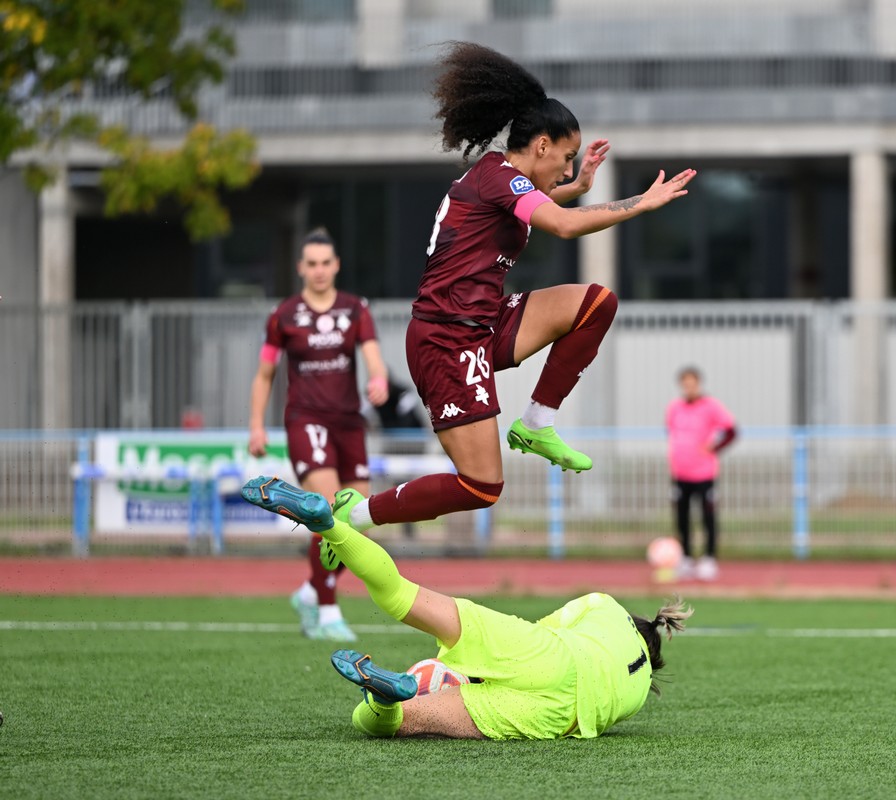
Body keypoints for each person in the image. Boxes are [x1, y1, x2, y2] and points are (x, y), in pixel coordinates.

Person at [331, 41, 696, 539]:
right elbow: (562, 225)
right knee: (481, 486)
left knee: (595, 304)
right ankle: (354, 515)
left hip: (483, 322)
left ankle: (536, 423)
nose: (566, 169)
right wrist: (640, 203)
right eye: (566, 158)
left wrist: (578, 187)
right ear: (541, 145)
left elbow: (541, 201)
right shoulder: (498, 177)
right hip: (445, 339)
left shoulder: (502, 180)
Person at [241, 476, 692, 740]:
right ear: (652, 660)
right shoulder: (637, 694)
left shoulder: (604, 606)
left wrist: (471, 662)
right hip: (559, 711)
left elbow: (544, 630)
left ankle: (328, 525)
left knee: (400, 593)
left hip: (544, 652)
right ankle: (385, 700)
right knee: (403, 722)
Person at [247, 227, 389, 641]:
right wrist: (256, 426)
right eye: (312, 263)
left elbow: (373, 356)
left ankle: (311, 590)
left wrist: (378, 379)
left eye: (326, 262)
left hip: (349, 424)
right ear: (301, 268)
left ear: (337, 265)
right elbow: (264, 374)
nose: (320, 270)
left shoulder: (356, 309)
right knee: (326, 510)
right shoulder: (283, 315)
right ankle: (327, 610)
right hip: (306, 421)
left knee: (357, 520)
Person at [665, 366, 737, 581]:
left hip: (704, 473)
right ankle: (686, 558)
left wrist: (714, 447)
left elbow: (731, 431)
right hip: (680, 473)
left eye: (692, 384)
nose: (689, 388)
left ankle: (709, 558)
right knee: (682, 518)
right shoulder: (674, 408)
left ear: (699, 384)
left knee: (708, 516)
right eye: (685, 384)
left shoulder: (711, 406)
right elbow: (672, 433)